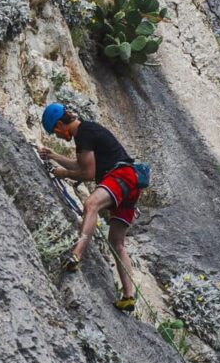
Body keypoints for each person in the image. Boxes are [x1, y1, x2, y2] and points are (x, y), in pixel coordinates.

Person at [38, 102, 147, 310]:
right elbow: (82, 165)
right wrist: (53, 156)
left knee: (91, 204)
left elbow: (87, 174)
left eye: (56, 131)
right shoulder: (87, 131)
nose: (58, 136)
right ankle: (128, 296)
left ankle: (76, 255)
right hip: (130, 184)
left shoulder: (83, 133)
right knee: (117, 242)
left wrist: (64, 174)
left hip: (120, 177)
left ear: (62, 124)